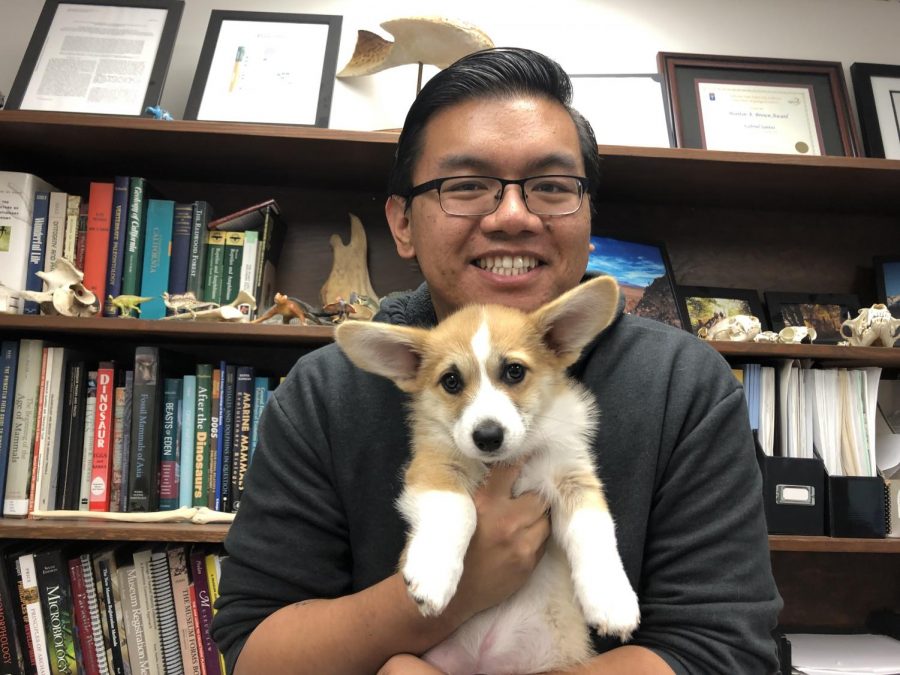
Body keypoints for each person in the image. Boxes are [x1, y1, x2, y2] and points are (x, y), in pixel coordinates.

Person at [211, 47, 782, 674]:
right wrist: (453, 593)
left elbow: (727, 652)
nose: (513, 215)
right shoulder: (322, 392)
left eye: (552, 187)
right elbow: (253, 651)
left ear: (588, 218)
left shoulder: (687, 384)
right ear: (401, 224)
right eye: (466, 186)